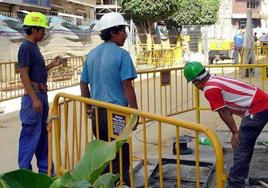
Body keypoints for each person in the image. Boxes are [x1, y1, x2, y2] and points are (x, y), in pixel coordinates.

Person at [183, 61, 268, 188]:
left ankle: (236, 183)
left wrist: (235, 132)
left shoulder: (209, 89)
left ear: (196, 83)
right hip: (261, 102)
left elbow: (223, 111)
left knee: (241, 146)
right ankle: (239, 177)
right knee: (243, 144)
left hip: (257, 108)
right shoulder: (215, 79)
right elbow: (228, 105)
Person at [80, 12, 138, 186]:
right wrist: (135, 113)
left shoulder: (91, 54)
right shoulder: (122, 55)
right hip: (117, 114)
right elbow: (127, 86)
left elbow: (83, 83)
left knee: (103, 152)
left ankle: (104, 183)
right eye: (123, 31)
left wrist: (88, 107)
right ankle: (122, 183)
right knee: (120, 152)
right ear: (113, 32)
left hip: (97, 113)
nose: (126, 34)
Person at [18, 12, 63, 175]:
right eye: (42, 29)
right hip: (34, 99)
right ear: (34, 29)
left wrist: (52, 65)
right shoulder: (25, 47)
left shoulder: (34, 48)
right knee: (30, 137)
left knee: (42, 137)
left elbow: (37, 73)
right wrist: (34, 98)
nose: (44, 33)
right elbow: (24, 74)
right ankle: (24, 175)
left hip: (40, 96)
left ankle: (46, 172)